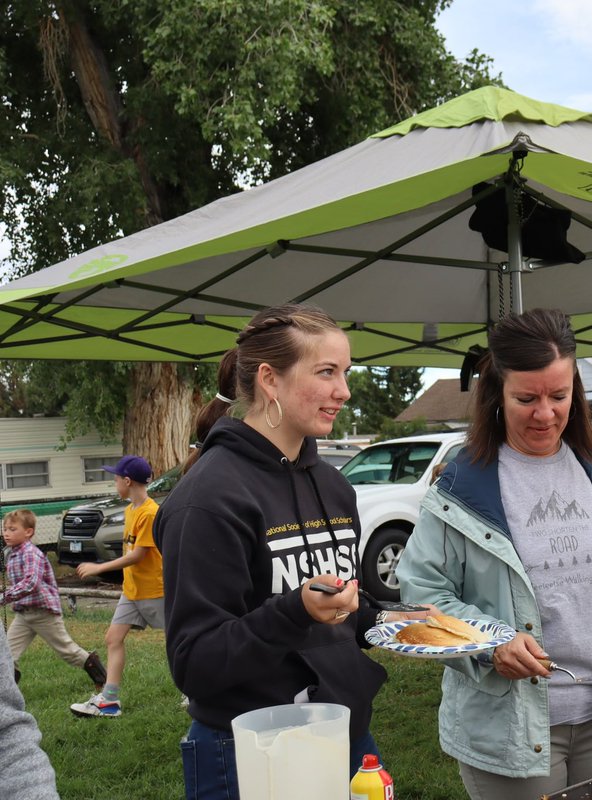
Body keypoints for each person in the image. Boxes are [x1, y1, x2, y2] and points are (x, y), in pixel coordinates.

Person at [396, 307, 592, 800]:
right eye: (526, 398)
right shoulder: (462, 488)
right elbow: (423, 593)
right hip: (511, 728)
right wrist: (491, 643)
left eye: (559, 396)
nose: (545, 413)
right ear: (496, 395)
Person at [154, 303, 430, 800]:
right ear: (269, 380)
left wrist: (400, 620)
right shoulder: (208, 499)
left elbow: (341, 609)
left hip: (343, 735)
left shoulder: (333, 485)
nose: (343, 391)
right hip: (249, 749)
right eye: (326, 372)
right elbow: (193, 663)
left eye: (345, 373)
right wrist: (294, 610)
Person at [70, 455, 162, 718]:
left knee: (180, 642)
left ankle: (197, 692)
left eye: (115, 479)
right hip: (132, 591)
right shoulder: (130, 510)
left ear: (127, 480)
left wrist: (98, 568)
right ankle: (109, 701)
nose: (114, 483)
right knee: (113, 638)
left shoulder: (150, 512)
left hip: (156, 590)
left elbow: (138, 555)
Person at [2, 509, 106, 691]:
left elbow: (31, 582)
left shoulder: (30, 553)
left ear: (28, 532)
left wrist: (5, 597)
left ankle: (102, 677)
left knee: (68, 651)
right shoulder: (11, 553)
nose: (6, 533)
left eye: (12, 529)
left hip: (43, 612)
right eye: (4, 529)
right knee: (7, 653)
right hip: (24, 614)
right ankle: (9, 690)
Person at [0, 628, 59, 799]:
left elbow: (7, 735)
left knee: (67, 647)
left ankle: (94, 669)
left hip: (40, 611)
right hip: (26, 612)